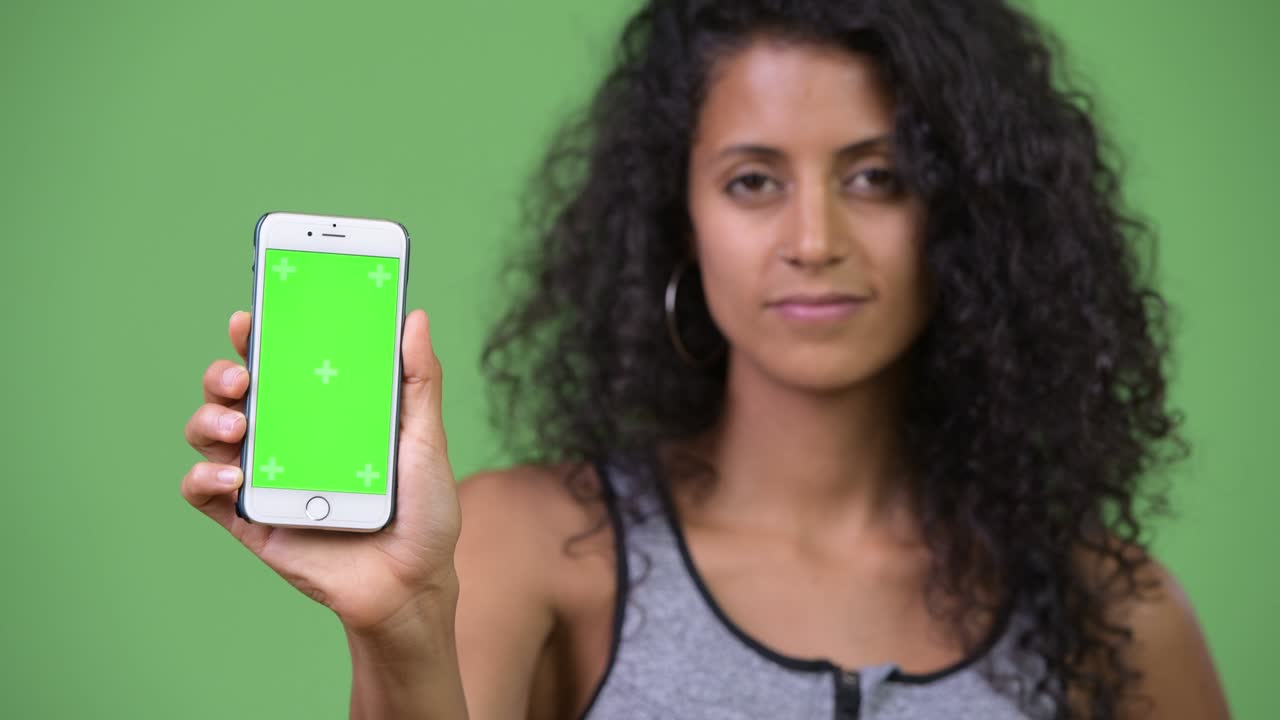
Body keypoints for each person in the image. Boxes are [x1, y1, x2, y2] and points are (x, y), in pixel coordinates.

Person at [182, 1, 1231, 717]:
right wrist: (402, 627)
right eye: (750, 181)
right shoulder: (526, 548)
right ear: (675, 216)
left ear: (963, 218)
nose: (812, 238)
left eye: (874, 178)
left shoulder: (1115, 612)